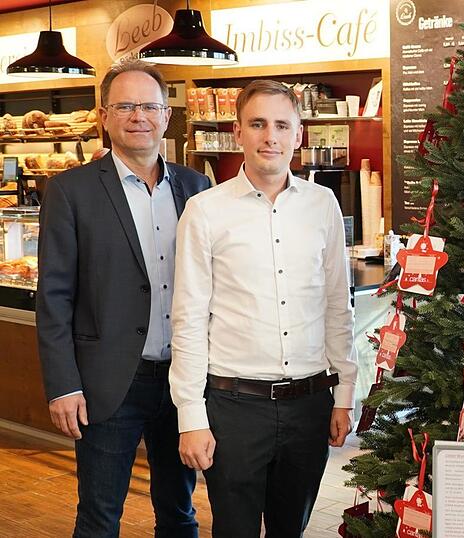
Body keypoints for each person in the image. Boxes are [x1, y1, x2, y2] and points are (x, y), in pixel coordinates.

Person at [170, 79, 356, 537]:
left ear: (299, 135)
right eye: (257, 124)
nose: (269, 136)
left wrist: (344, 395)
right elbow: (189, 319)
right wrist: (191, 417)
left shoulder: (323, 204)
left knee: (290, 529)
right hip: (234, 407)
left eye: (281, 125)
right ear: (239, 133)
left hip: (310, 403)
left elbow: (338, 303)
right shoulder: (204, 210)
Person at [36, 59, 212, 537]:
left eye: (150, 106)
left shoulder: (197, 189)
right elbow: (53, 296)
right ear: (104, 116)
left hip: (183, 382)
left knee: (180, 513)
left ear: (166, 116)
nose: (140, 116)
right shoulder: (70, 191)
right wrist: (63, 384)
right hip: (109, 383)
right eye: (126, 105)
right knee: (98, 518)